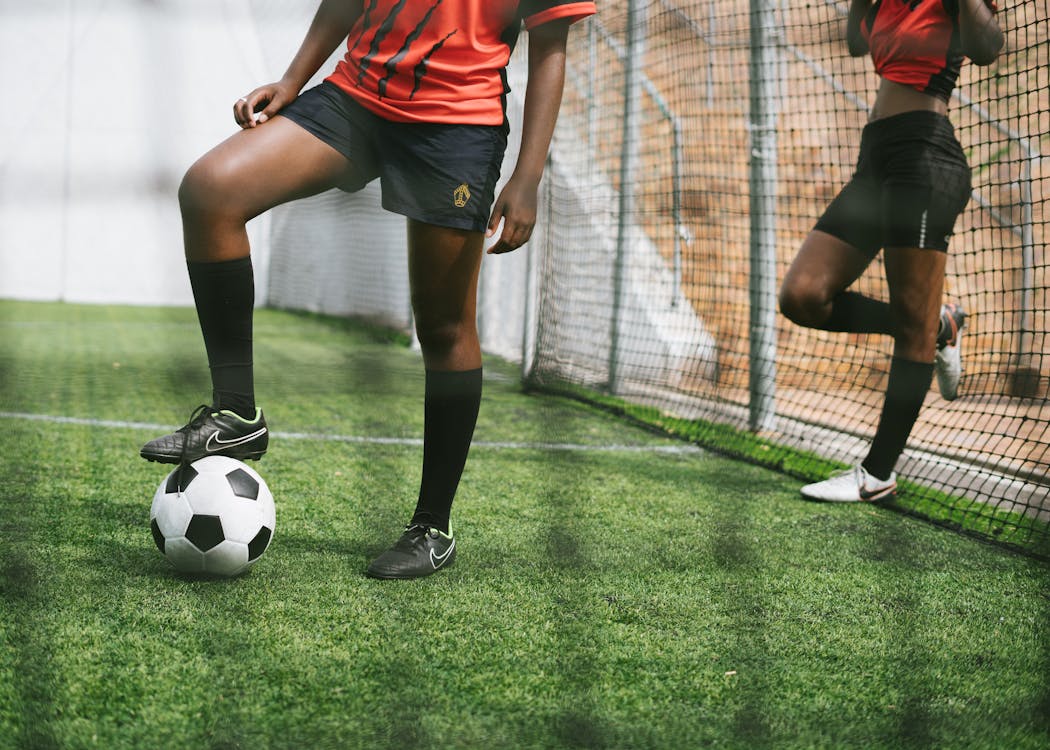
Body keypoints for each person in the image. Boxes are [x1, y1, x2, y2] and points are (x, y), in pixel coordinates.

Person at [140, 0, 597, 577]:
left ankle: (433, 526)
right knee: (210, 192)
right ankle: (236, 415)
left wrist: (527, 177)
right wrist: (291, 80)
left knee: (444, 325)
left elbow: (551, 51)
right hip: (353, 101)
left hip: (455, 128)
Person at [778, 0, 1003, 502]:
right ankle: (937, 324)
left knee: (910, 328)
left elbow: (988, 47)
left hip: (923, 157)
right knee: (803, 295)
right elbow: (858, 41)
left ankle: (877, 474)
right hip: (875, 158)